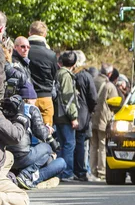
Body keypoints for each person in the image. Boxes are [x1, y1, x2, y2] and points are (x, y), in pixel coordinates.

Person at [4, 94, 65, 190]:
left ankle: (24, 176)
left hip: (9, 157)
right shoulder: (31, 109)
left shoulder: (6, 110)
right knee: (58, 160)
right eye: (34, 99)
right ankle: (28, 175)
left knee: (49, 156)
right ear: (29, 99)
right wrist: (47, 131)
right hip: (25, 156)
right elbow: (41, 133)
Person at [91, 63, 118, 180]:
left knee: (93, 146)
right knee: (102, 145)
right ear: (110, 73)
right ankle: (101, 172)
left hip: (91, 118)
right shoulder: (109, 86)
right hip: (103, 119)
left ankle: (92, 171)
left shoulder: (92, 80)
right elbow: (115, 103)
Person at [28, 21, 58, 126]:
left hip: (27, 98)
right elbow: (55, 76)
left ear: (29, 33)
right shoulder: (51, 55)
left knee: (27, 133)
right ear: (44, 35)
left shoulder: (22, 51)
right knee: (46, 134)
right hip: (45, 98)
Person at [54, 51, 79, 181]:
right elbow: (68, 98)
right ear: (74, 64)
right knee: (69, 144)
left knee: (61, 144)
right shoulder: (67, 76)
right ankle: (67, 172)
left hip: (57, 114)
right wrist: (73, 117)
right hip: (65, 116)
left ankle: (57, 171)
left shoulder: (58, 73)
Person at [73, 51, 98, 182]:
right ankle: (81, 171)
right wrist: (91, 110)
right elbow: (93, 97)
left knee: (71, 143)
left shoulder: (69, 74)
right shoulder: (86, 76)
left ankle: (72, 170)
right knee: (81, 143)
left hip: (69, 113)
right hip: (83, 114)